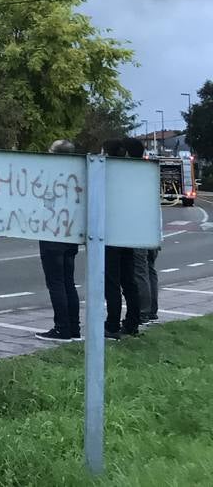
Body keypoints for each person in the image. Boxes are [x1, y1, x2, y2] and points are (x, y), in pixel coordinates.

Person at [35, 139, 81, 342]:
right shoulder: (77, 175)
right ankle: (74, 327)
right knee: (68, 281)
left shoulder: (49, 175)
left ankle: (61, 327)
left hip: (51, 232)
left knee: (56, 282)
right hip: (70, 232)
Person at [102, 137, 140, 339]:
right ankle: (133, 322)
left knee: (112, 283)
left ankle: (112, 324)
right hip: (129, 233)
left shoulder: (109, 174)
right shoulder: (134, 174)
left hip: (111, 234)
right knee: (129, 281)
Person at [122, 137, 159, 325]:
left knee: (140, 270)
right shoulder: (147, 172)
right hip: (151, 228)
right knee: (149, 269)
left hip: (139, 230)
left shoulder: (132, 173)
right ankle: (151, 309)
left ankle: (144, 311)